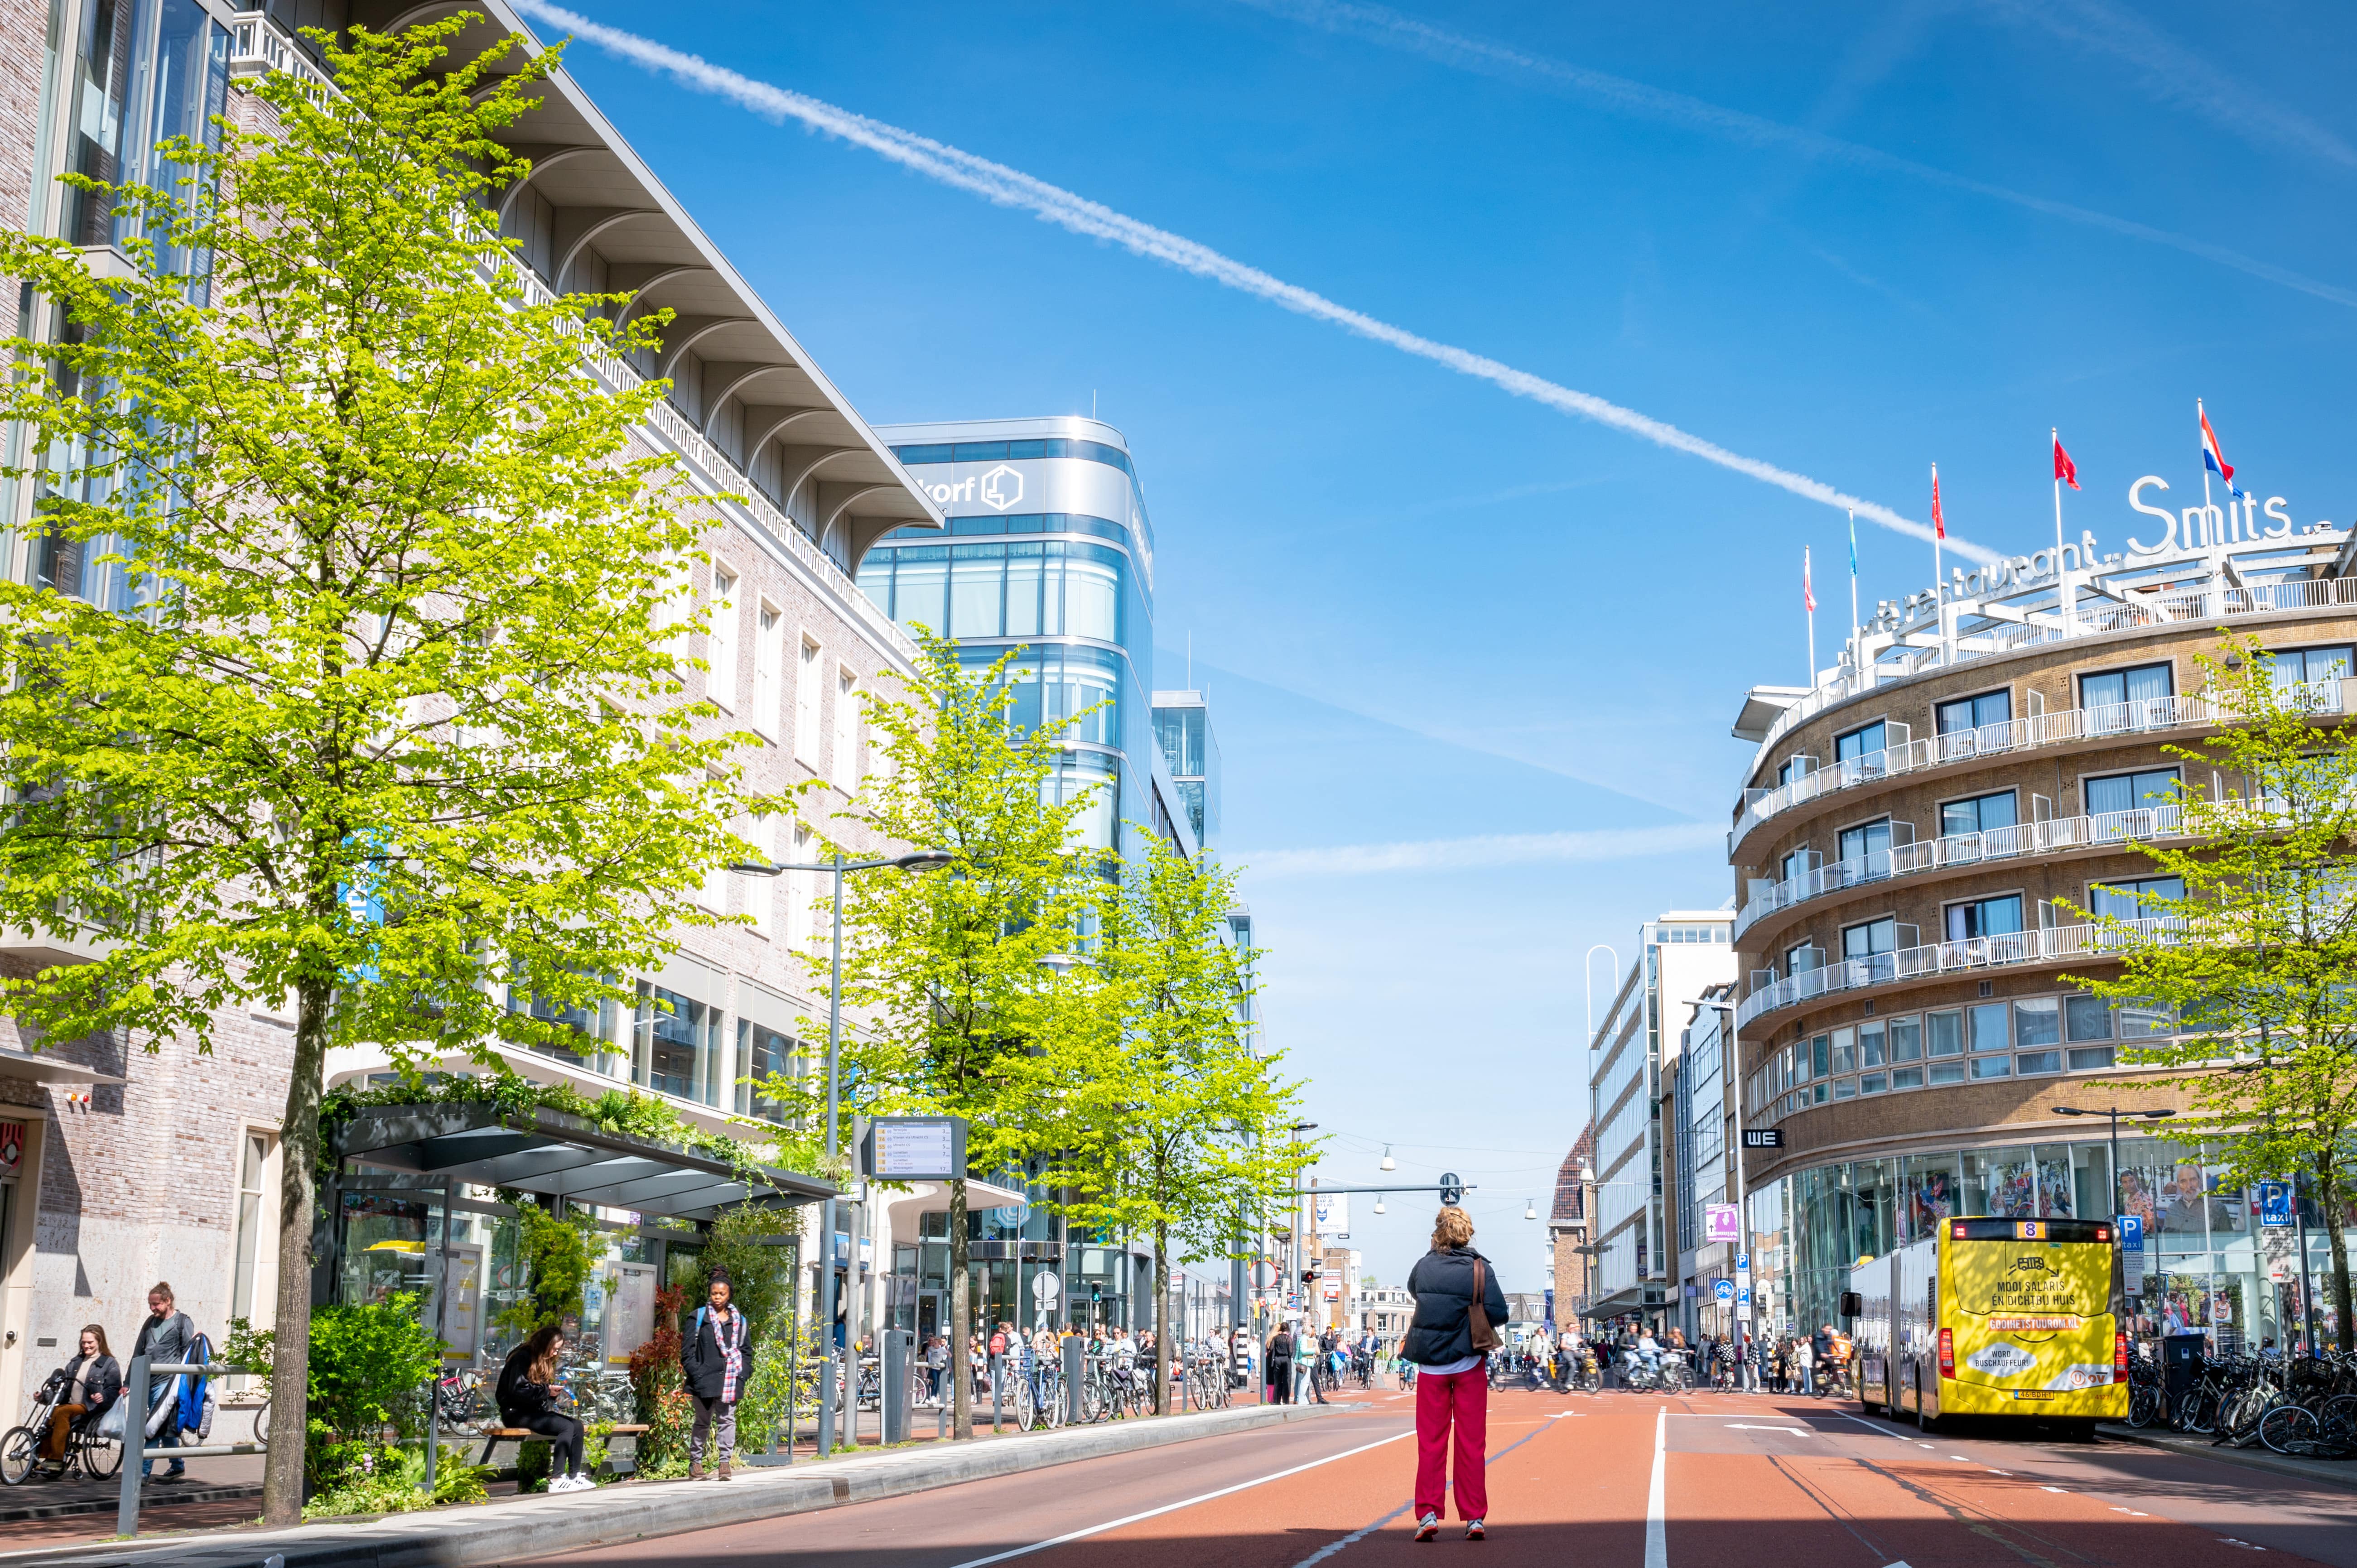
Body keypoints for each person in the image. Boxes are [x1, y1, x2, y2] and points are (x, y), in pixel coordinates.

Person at [1404, 1205, 1510, 1543]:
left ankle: (1428, 1514)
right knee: (1471, 1443)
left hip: (1431, 1365)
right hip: (1467, 1362)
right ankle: (1474, 1517)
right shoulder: (1480, 1268)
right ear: (1468, 1232)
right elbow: (1499, 1314)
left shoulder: (1422, 1266)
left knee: (1431, 1443)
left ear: (1437, 1232)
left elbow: (1416, 1293)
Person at [498, 1323, 589, 1492]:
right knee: (565, 1427)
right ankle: (557, 1479)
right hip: (515, 1412)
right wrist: (546, 1391)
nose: (556, 1353)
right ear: (545, 1345)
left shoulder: (541, 1360)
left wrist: (549, 1393)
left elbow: (535, 1391)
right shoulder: (522, 1358)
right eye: (554, 1349)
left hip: (532, 1412)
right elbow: (517, 1390)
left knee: (577, 1426)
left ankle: (575, 1475)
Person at [681, 1268, 752, 1482]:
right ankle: (696, 1463)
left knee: (727, 1421)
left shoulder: (739, 1321)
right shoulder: (698, 1318)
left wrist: (743, 1374)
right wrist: (698, 1373)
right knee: (702, 1422)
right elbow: (687, 1352)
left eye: (722, 1293)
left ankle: (724, 1464)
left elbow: (746, 1351)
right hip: (703, 1380)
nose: (718, 1297)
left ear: (729, 1294)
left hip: (731, 1379)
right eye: (714, 1293)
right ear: (710, 1294)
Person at [130, 1283, 194, 1481]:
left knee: (154, 1425)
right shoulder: (150, 1322)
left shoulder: (183, 1322)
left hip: (169, 1383)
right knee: (165, 1427)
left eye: (156, 1304)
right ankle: (177, 1466)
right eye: (150, 1304)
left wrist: (185, 1385)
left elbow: (188, 1354)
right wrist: (128, 1382)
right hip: (148, 1382)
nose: (153, 1308)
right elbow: (138, 1352)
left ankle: (143, 1471)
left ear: (168, 1301)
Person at [38, 1325, 120, 1466]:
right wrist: (44, 1397)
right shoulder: (75, 1363)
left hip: (91, 1408)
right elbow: (63, 1389)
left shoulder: (108, 1363)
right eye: (84, 1342)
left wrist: (103, 1397)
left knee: (63, 1411)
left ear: (100, 1342)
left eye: (90, 1342)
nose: (86, 1346)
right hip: (72, 1406)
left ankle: (57, 1460)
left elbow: (114, 1388)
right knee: (52, 1412)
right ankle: (45, 1457)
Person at [1266, 1320, 1294, 1404]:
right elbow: (1291, 1351)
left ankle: (1277, 1399)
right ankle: (1286, 1400)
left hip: (1278, 1359)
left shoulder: (1276, 1338)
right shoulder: (1288, 1339)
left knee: (1277, 1380)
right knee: (1287, 1380)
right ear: (1288, 1329)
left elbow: (1271, 1348)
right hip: (1286, 1359)